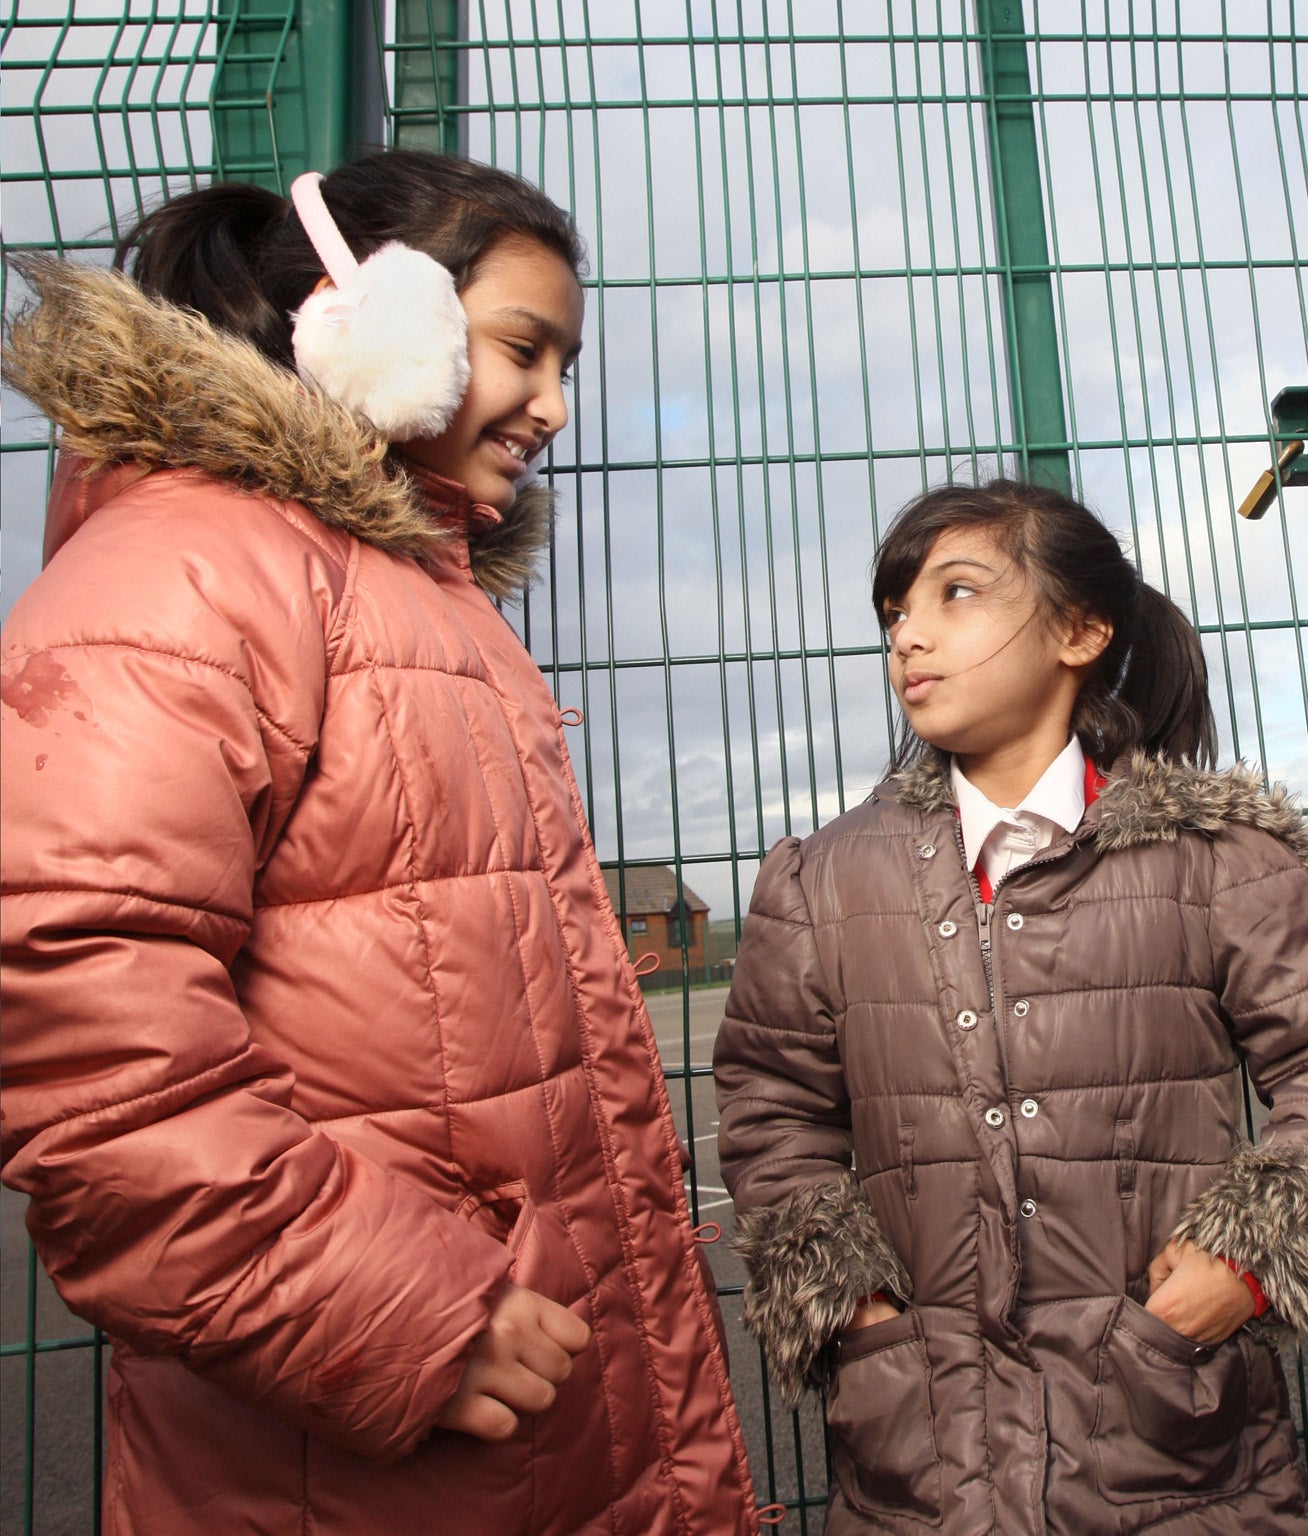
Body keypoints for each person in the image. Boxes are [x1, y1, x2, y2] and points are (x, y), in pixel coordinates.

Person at [0, 150, 757, 1535]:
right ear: (374, 314)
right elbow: (92, 1056)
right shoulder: (176, 579)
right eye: (524, 348)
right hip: (360, 1426)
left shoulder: (424, 605)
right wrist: (398, 1315)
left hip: (515, 1433)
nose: (555, 406)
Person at [712, 477, 1308, 1533]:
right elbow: (771, 1109)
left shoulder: (1219, 862)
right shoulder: (822, 880)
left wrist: (1245, 1258)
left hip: (1172, 1447)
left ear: (1080, 631)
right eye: (895, 612)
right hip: (918, 1457)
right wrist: (855, 1313)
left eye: (954, 595)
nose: (908, 637)